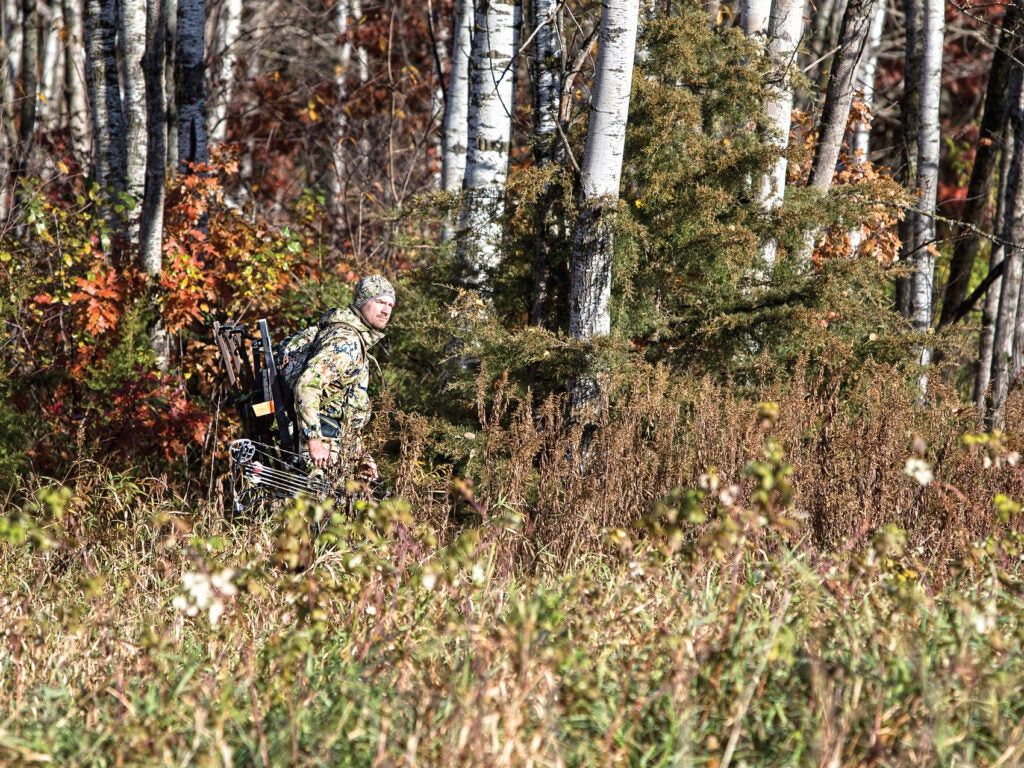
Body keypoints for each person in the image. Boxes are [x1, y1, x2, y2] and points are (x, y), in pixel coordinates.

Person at [294, 274, 395, 482]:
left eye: (390, 305)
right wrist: (314, 440)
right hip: (322, 448)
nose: (386, 310)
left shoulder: (356, 341)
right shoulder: (346, 342)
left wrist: (361, 456)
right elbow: (306, 385)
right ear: (363, 301)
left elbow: (345, 408)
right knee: (317, 511)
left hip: (335, 444)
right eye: (379, 302)